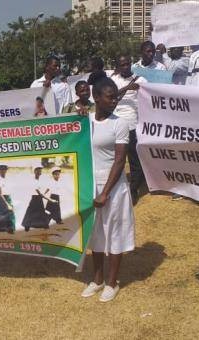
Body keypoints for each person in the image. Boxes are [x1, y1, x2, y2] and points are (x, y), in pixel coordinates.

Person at [81, 77, 135, 303]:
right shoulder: (86, 121)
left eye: (115, 96)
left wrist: (106, 192)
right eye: (109, 96)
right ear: (96, 97)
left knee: (114, 233)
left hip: (114, 186)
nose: (114, 100)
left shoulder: (119, 124)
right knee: (96, 235)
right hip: (91, 185)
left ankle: (112, 282)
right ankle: (97, 279)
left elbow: (120, 160)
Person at [110, 55, 148, 204]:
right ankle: (115, 187)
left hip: (133, 125)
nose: (125, 67)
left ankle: (133, 189)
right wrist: (127, 88)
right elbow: (110, 95)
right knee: (117, 159)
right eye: (122, 64)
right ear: (118, 66)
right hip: (115, 125)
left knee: (134, 159)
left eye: (127, 64)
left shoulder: (141, 80)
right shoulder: (113, 81)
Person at [21, 165, 54, 232]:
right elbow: (39, 192)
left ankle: (44, 225)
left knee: (41, 212)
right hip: (34, 198)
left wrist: (44, 193)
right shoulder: (33, 180)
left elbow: (44, 189)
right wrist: (50, 199)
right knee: (31, 212)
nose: (39, 171)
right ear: (34, 171)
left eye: (40, 170)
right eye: (38, 170)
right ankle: (27, 225)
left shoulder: (40, 180)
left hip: (39, 198)